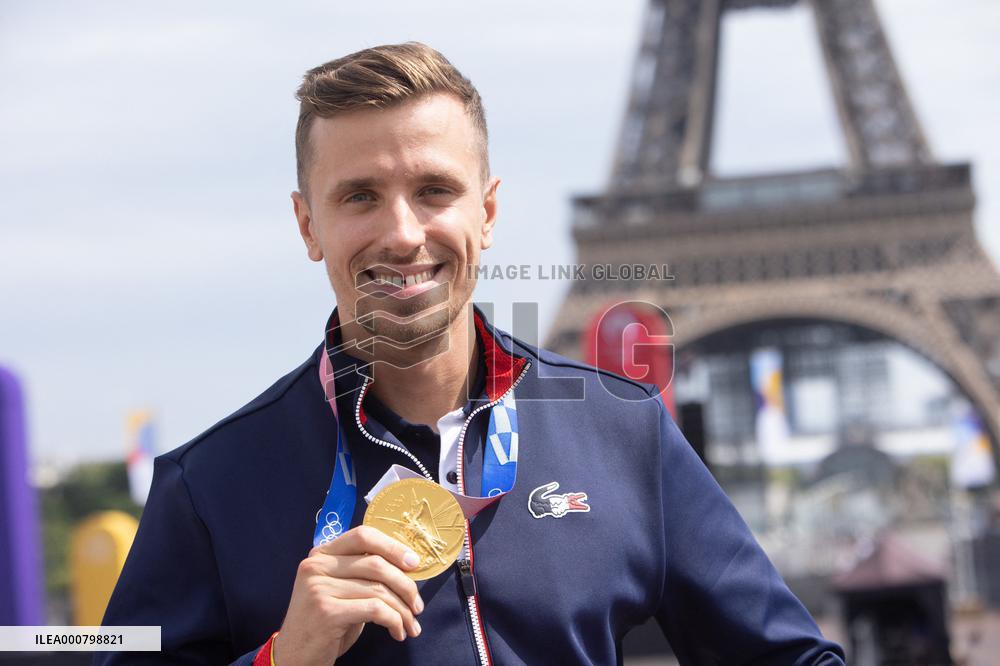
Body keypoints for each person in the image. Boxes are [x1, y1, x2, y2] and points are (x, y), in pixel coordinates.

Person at [97, 42, 846, 665]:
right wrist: (282, 658)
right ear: (307, 225)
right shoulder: (205, 489)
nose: (401, 232)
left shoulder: (625, 433)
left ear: (486, 212)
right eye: (359, 196)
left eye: (433, 190)